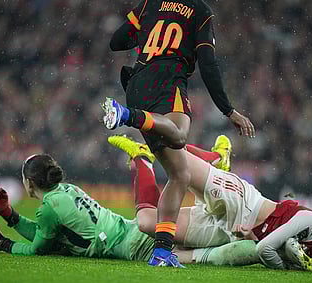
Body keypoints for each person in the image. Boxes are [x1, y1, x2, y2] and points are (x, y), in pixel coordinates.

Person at [103, 0, 255, 267]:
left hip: (136, 84)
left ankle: (161, 254)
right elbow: (208, 65)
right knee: (180, 136)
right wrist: (229, 110)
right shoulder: (200, 12)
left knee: (180, 174)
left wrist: (146, 33)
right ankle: (126, 116)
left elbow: (117, 41)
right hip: (167, 82)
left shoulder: (151, 2)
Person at [108, 135, 312, 271]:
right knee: (171, 153)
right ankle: (216, 159)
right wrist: (278, 260)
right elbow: (265, 248)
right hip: (242, 202)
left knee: (148, 224)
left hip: (231, 230)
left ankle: (141, 158)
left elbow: (264, 243)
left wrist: (257, 239)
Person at [0, 153, 258, 267]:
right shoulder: (67, 190)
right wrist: (9, 216)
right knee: (217, 233)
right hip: (130, 231)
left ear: (29, 182)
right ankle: (216, 166)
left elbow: (40, 247)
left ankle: (264, 247)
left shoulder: (49, 208)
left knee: (211, 256)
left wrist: (4, 244)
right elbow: (47, 234)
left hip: (135, 247)